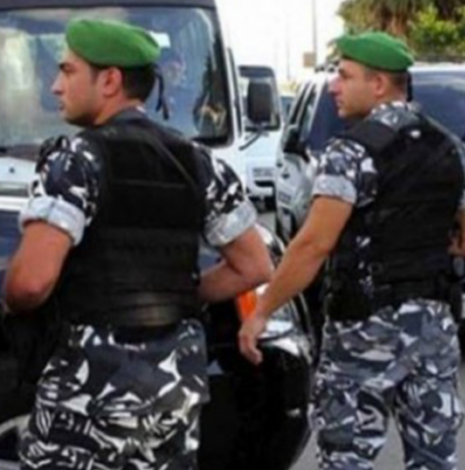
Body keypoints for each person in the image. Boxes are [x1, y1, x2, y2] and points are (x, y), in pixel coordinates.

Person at [3, 19, 271, 469]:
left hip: (90, 390)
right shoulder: (197, 161)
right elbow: (255, 266)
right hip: (173, 391)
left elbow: (30, 283)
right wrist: (177, 296)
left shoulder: (77, 160)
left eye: (68, 71)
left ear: (109, 81)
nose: (55, 86)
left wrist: (11, 304)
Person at [237, 32, 465, 470]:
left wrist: (262, 312)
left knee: (346, 457)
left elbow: (313, 245)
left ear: (379, 84)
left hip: (362, 331)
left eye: (345, 76)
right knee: (433, 458)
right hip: (433, 329)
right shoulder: (455, 150)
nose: (334, 86)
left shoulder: (351, 153)